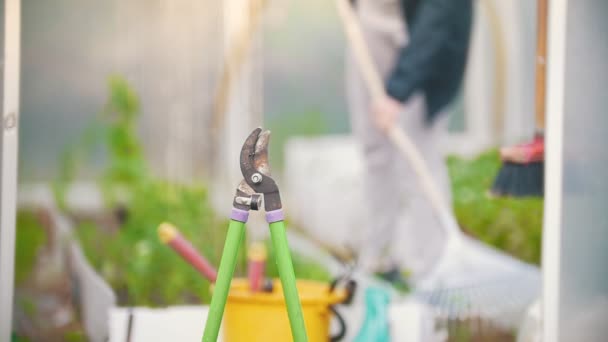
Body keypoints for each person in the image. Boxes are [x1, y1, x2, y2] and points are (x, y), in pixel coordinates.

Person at [347, 0, 473, 288]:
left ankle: (434, 270)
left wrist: (398, 91)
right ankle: (378, 258)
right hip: (371, 23)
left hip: (425, 36)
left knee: (418, 156)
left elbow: (441, 14)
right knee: (375, 153)